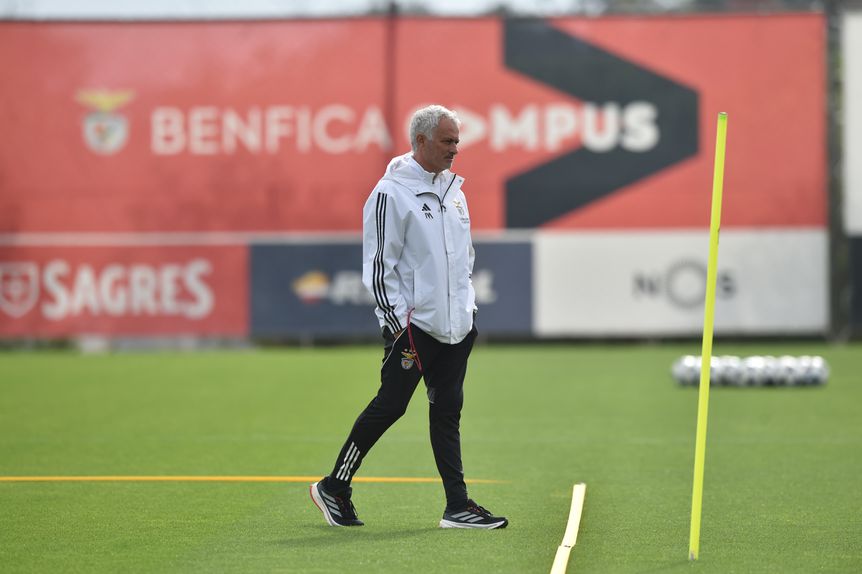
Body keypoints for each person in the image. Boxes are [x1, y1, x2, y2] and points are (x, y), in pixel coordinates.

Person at [309, 104, 508, 530]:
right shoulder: (389, 193)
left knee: (447, 412)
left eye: (456, 140)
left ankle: (457, 506)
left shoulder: (455, 189)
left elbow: (464, 258)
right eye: (447, 141)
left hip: (456, 326)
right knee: (390, 407)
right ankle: (334, 487)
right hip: (415, 328)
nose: (456, 149)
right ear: (420, 141)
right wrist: (398, 324)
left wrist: (466, 309)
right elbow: (378, 268)